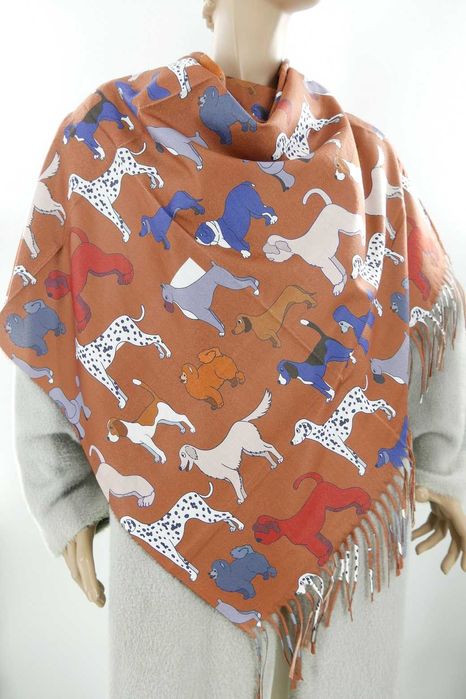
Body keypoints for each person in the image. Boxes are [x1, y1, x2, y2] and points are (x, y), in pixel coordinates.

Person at [5, 1, 466, 697]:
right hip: (170, 528)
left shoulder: (365, 159)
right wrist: (63, 491)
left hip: (339, 555)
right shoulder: (109, 137)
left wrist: (443, 465)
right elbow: (56, 293)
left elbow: (426, 305)